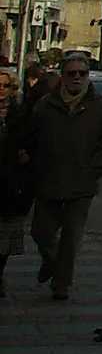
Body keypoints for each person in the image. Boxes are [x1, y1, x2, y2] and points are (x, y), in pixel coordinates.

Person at [26, 52, 102, 300]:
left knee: (71, 237)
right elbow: (31, 138)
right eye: (72, 73)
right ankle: (52, 263)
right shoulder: (46, 104)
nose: (77, 78)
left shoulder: (99, 105)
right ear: (63, 77)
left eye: (82, 74)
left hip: (81, 183)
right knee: (41, 232)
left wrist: (96, 168)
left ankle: (61, 284)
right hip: (50, 179)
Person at [0, 68, 31, 296]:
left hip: (9, 183)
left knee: (5, 238)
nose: (2, 92)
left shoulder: (19, 115)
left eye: (6, 86)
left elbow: (28, 144)